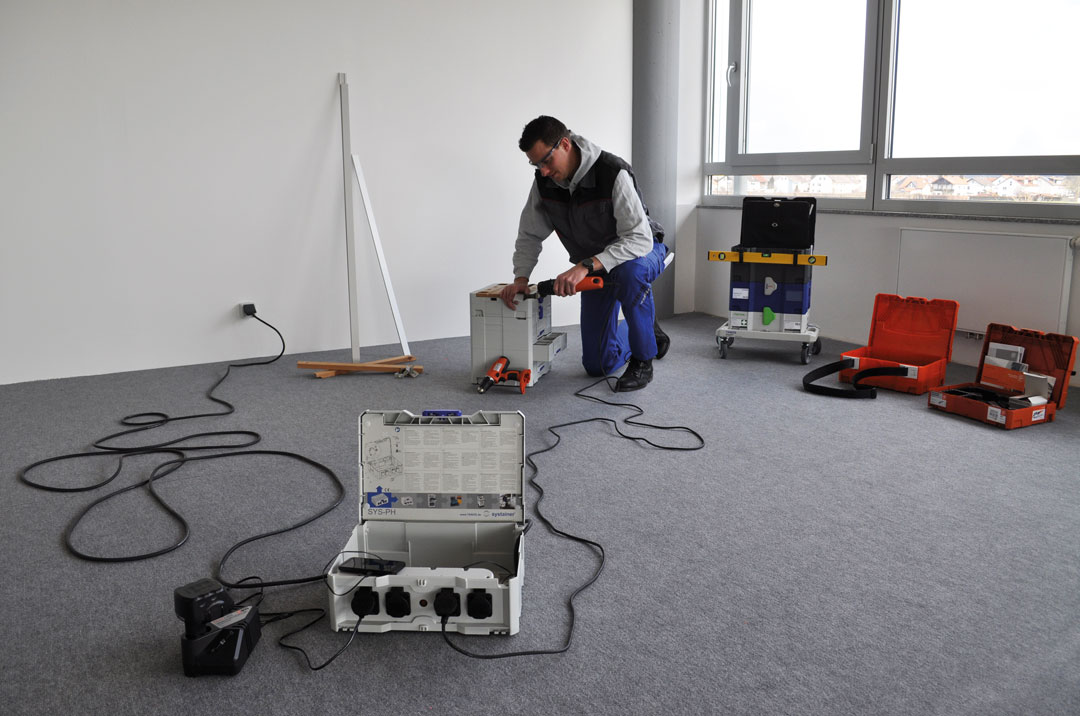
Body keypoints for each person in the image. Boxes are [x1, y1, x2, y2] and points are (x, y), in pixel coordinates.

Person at [498, 116, 670, 392]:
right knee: (597, 365)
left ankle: (643, 358)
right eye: (536, 164)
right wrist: (521, 278)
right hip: (595, 265)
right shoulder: (544, 182)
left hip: (641, 252)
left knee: (629, 273)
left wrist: (585, 266)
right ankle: (646, 329)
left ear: (565, 145)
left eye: (546, 161)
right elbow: (530, 234)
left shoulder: (612, 172)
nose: (543, 171)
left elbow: (639, 239)